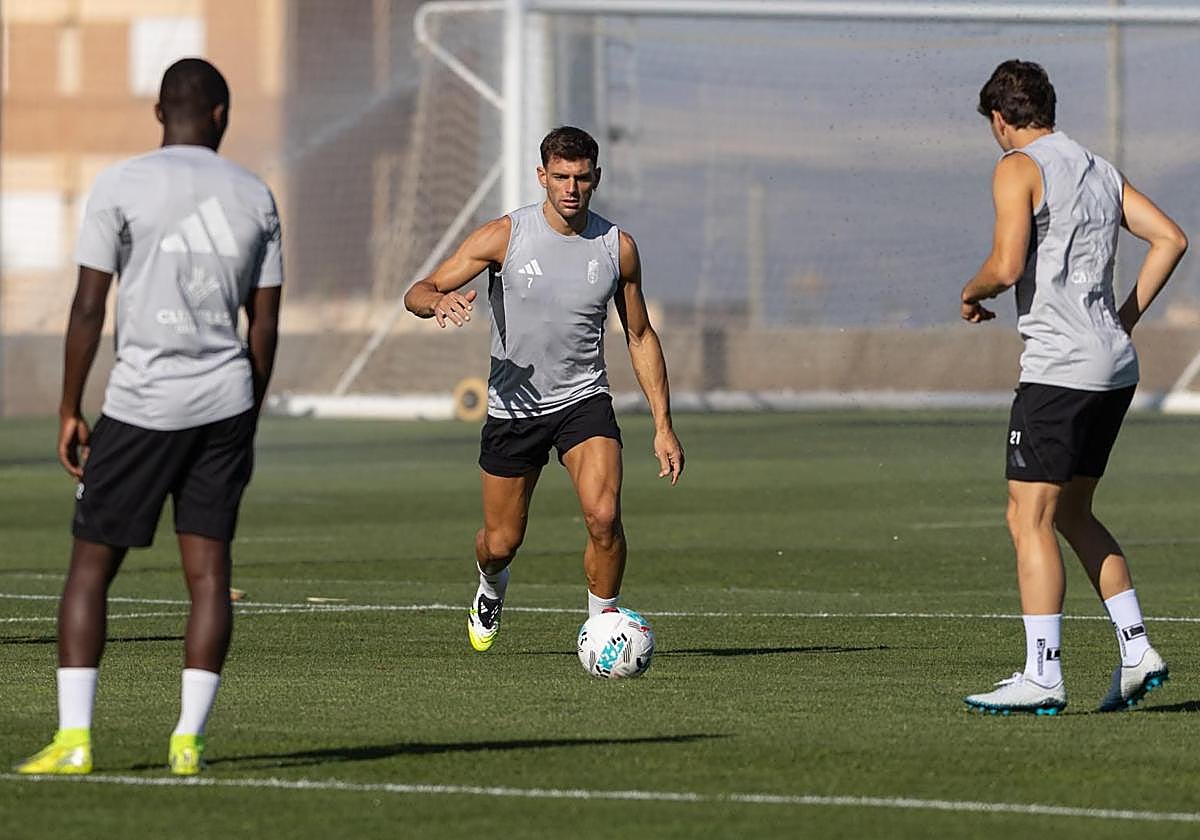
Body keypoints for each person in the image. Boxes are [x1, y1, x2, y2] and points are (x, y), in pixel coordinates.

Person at [16, 58, 283, 775]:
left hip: (138, 405)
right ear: (221, 115)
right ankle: (188, 742)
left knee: (90, 571)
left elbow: (88, 307)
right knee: (208, 575)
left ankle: (75, 742)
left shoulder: (121, 184)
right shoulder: (256, 193)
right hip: (225, 403)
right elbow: (263, 326)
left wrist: (71, 407)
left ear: (159, 112)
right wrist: (247, 412)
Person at [961, 60, 1187, 714]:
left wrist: (970, 293)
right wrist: (1124, 321)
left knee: (1026, 515)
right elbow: (1171, 239)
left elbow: (1005, 267)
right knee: (1072, 511)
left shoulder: (1016, 167)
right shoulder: (1097, 168)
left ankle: (1042, 674)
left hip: (1060, 369)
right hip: (1115, 366)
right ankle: (1138, 648)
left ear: (1002, 120)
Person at [404, 126, 684, 652]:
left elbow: (641, 335)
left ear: (596, 178)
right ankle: (490, 585)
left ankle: (603, 629)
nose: (571, 188)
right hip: (514, 408)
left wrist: (663, 427)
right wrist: (436, 303)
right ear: (542, 177)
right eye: (560, 177)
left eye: (581, 177)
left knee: (604, 518)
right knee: (501, 542)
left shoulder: (617, 248)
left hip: (584, 400)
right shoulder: (503, 237)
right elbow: (419, 291)